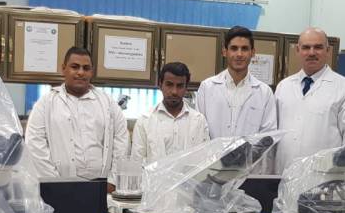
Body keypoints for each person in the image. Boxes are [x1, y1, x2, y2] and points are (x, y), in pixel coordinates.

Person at [25, 47, 130, 186]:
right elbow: (34, 145)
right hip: (59, 187)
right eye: (75, 67)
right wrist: (55, 183)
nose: (80, 72)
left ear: (92, 72)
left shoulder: (108, 103)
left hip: (103, 188)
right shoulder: (45, 104)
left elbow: (122, 142)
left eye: (86, 68)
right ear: (63, 69)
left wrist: (113, 181)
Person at [274, 27, 345, 174]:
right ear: (297, 50)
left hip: (323, 177)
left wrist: (340, 176)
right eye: (306, 47)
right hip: (283, 173)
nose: (312, 53)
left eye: (318, 47)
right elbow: (274, 135)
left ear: (328, 50)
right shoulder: (283, 86)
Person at [194, 26, 277, 139]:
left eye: (244, 49)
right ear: (224, 51)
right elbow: (199, 132)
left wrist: (247, 150)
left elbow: (268, 136)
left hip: (250, 152)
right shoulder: (207, 88)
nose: (239, 54)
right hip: (213, 151)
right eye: (234, 48)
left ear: (252, 52)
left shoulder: (264, 93)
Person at [132, 62, 210, 165]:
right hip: (155, 176)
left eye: (180, 86)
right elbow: (136, 163)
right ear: (160, 85)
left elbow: (204, 161)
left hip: (189, 176)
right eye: (169, 84)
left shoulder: (199, 121)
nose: (174, 91)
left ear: (186, 87)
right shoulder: (144, 121)